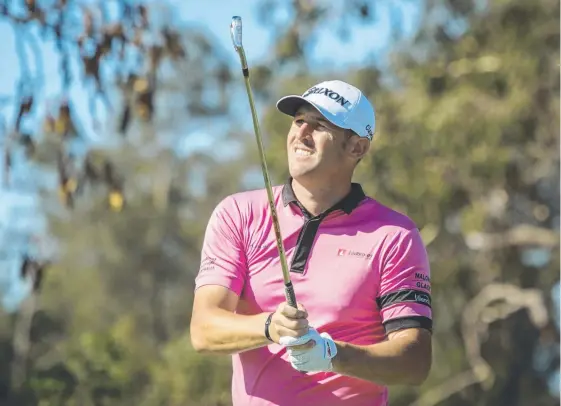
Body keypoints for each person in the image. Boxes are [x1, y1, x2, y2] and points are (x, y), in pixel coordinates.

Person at [190, 80, 433, 406]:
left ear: (357, 148)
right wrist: (269, 327)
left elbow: (414, 362)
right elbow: (204, 329)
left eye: (320, 125)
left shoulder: (394, 235)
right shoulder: (239, 214)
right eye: (299, 120)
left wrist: (333, 354)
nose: (301, 134)